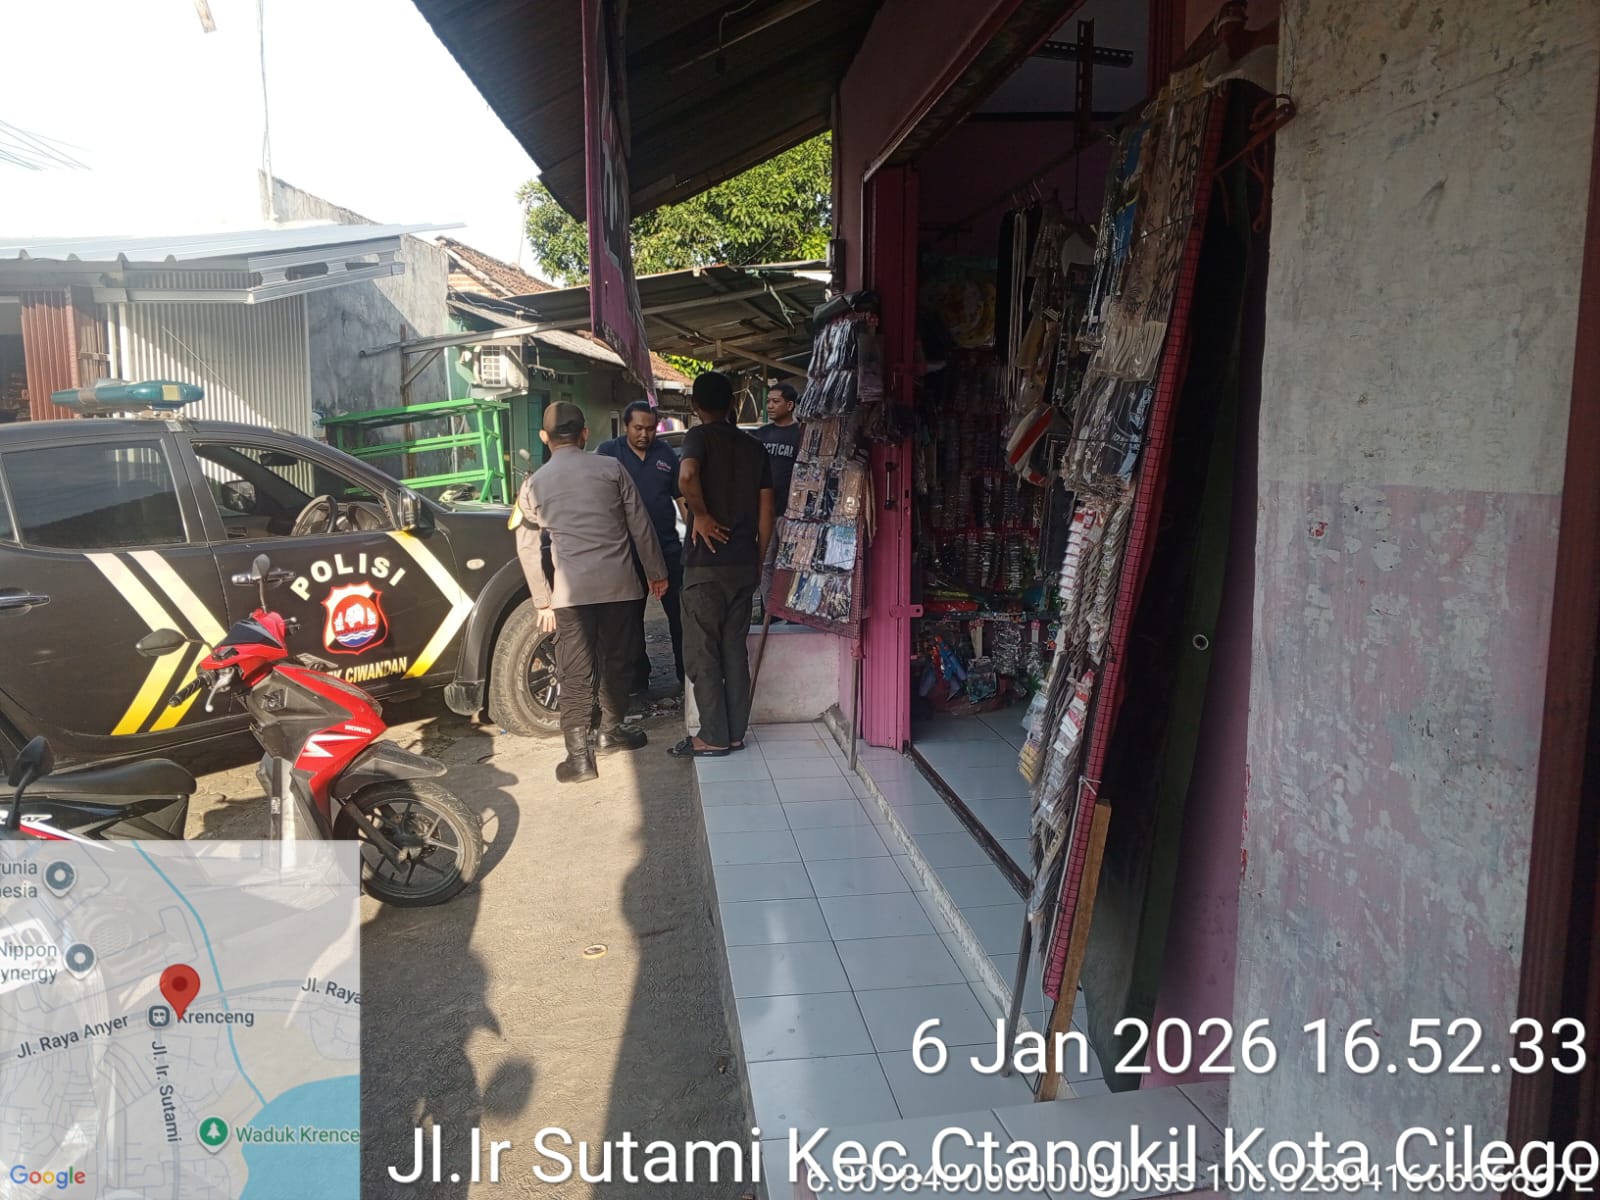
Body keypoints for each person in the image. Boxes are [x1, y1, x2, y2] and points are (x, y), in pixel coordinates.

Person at [515, 401, 669, 784]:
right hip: (621, 587)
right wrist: (656, 573)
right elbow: (640, 525)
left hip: (571, 594)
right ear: (585, 434)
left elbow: (527, 547)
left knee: (575, 671)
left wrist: (542, 600)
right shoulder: (612, 468)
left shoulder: (533, 484)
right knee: (619, 662)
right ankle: (610, 730)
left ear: (544, 438)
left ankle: (579, 758)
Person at [669, 372, 774, 758]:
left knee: (703, 652)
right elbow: (767, 512)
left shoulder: (698, 437)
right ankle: (734, 733)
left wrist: (701, 514)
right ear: (732, 404)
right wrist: (758, 557)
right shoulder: (755, 447)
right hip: (743, 563)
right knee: (733, 650)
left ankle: (713, 734)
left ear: (695, 406)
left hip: (706, 566)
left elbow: (687, 475)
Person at [595, 400, 686, 691]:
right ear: (625, 426)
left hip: (667, 549)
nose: (645, 434)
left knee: (681, 616)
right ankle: (637, 680)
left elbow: (681, 499)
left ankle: (686, 676)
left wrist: (694, 536)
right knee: (629, 621)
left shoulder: (666, 454)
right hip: (626, 554)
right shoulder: (609, 453)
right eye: (638, 428)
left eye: (650, 429)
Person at [754, 382, 803, 611]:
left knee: (791, 564)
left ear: (790, 405)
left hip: (791, 513)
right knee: (765, 563)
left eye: (776, 401)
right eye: (768, 401)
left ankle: (790, 610)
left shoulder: (801, 434)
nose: (770, 406)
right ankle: (770, 610)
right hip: (765, 512)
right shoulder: (761, 435)